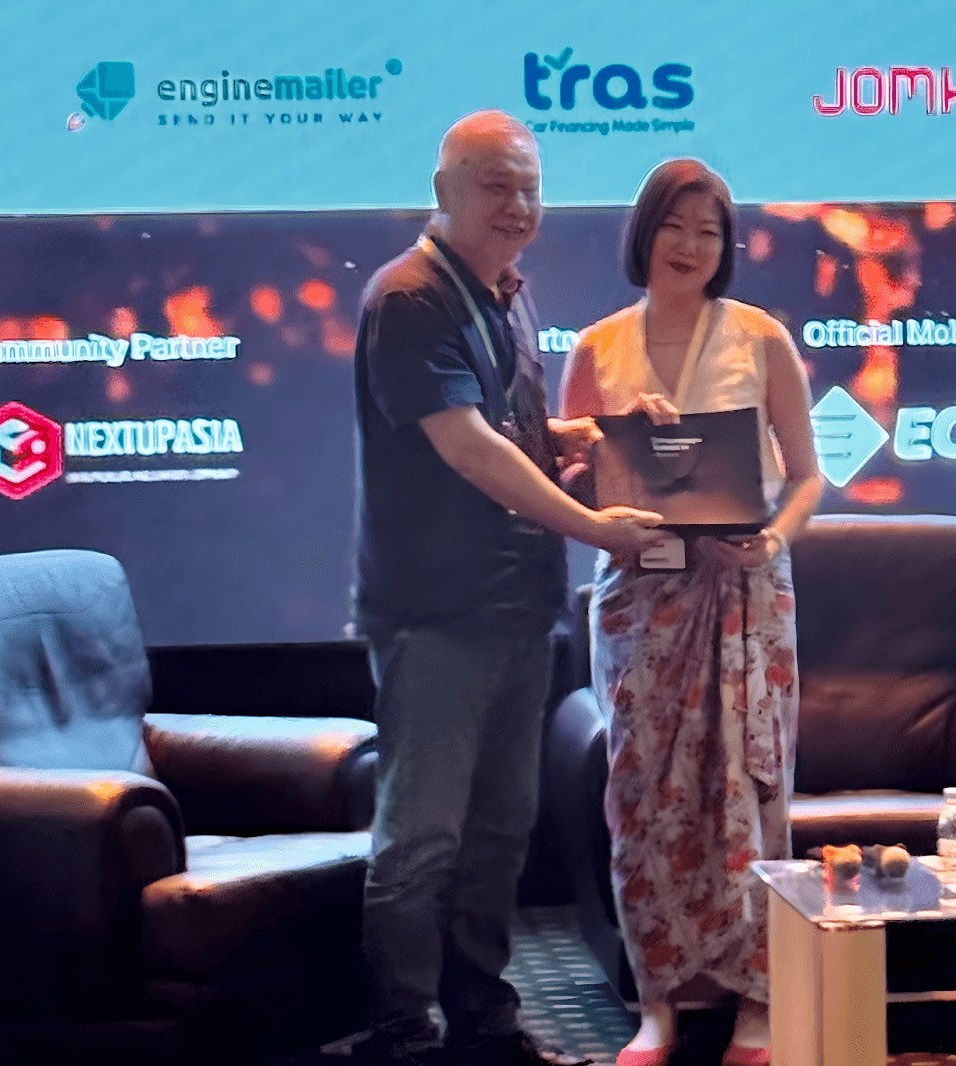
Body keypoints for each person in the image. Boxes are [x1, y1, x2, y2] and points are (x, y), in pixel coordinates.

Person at [349, 110, 664, 1066]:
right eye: (496, 185)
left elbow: (513, 434)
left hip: (520, 609)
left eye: (530, 187)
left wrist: (586, 436)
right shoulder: (411, 298)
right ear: (443, 190)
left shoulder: (507, 293)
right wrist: (593, 527)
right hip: (438, 619)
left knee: (498, 836)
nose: (518, 206)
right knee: (421, 842)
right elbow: (470, 450)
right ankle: (404, 1031)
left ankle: (483, 1022)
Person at [559, 158, 823, 1066]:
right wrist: (603, 476)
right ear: (645, 234)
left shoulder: (760, 337)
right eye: (674, 225)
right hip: (640, 599)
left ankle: (758, 1002)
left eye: (709, 231)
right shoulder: (597, 347)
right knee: (642, 796)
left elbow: (806, 475)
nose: (690, 245)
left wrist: (773, 538)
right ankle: (658, 1003)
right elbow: (572, 484)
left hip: (745, 595)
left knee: (752, 792)